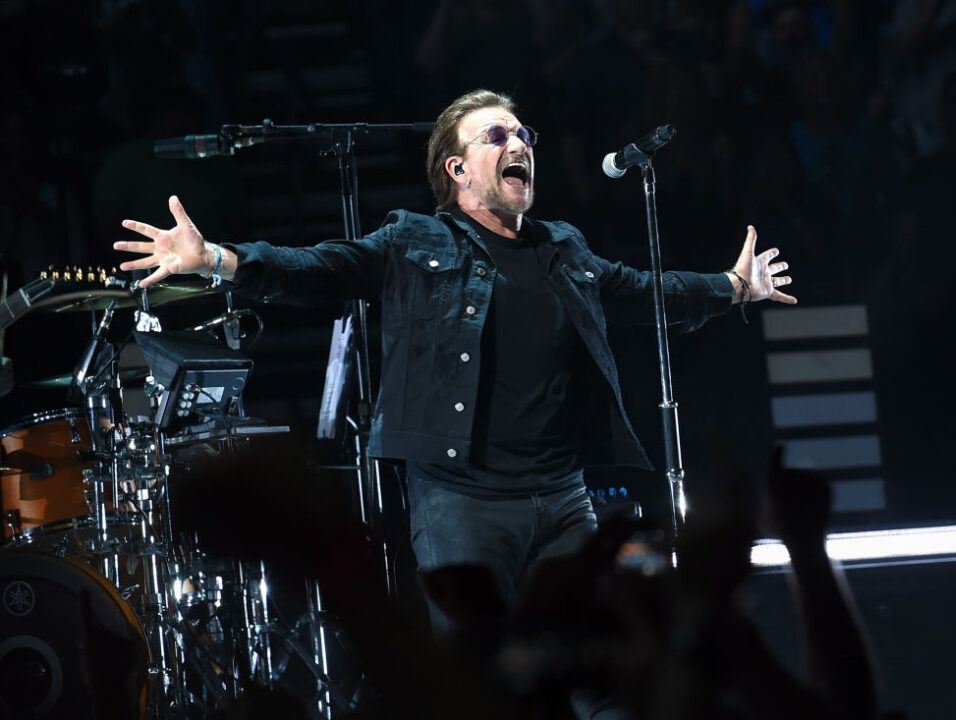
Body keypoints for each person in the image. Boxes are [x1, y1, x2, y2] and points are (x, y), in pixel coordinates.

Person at [114, 89, 796, 636]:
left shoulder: (564, 248)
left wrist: (734, 288)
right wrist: (215, 261)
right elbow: (316, 270)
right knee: (484, 682)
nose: (518, 143)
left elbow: (644, 292)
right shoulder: (415, 241)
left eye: (523, 134)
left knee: (598, 667)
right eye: (497, 136)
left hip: (564, 498)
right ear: (458, 169)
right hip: (463, 502)